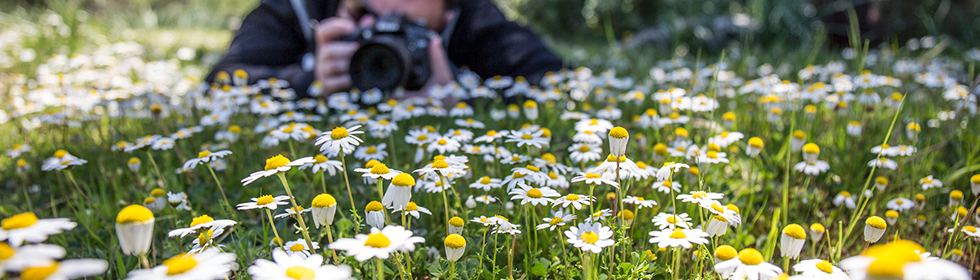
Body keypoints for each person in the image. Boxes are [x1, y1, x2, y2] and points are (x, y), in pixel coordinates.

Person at [206, 0, 564, 97]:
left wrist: (460, 97)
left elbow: (555, 79)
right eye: (369, 19)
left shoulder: (473, 16)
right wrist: (308, 80)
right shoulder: (295, 8)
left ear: (448, 12)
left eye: (410, 34)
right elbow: (221, 83)